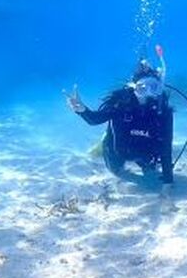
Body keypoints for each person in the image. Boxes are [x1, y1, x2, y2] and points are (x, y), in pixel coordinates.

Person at [66, 59, 174, 195]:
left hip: (145, 150)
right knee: (116, 171)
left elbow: (166, 147)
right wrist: (82, 110)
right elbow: (95, 119)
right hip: (119, 149)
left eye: (153, 88)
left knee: (150, 170)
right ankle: (104, 140)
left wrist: (167, 185)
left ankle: (144, 163)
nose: (148, 93)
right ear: (133, 86)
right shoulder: (120, 104)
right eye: (142, 88)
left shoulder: (162, 111)